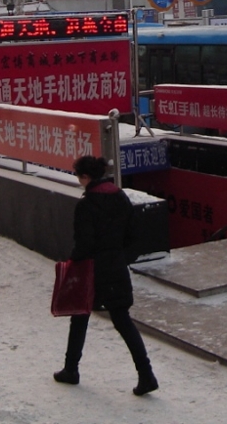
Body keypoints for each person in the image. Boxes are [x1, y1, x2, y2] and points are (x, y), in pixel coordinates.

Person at [53, 156, 158, 396]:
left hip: (91, 269)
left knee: (79, 317)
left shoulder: (87, 204)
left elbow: (84, 243)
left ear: (86, 177)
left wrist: (73, 262)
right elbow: (134, 236)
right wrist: (119, 257)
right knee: (122, 320)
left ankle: (71, 369)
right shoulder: (120, 197)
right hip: (115, 267)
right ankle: (146, 374)